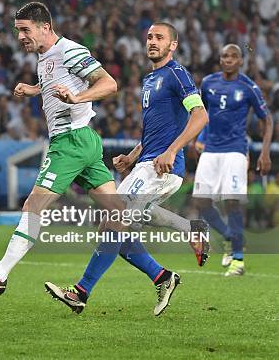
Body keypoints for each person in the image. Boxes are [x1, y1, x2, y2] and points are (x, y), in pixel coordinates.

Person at [43, 22, 210, 317]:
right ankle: (165, 273)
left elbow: (200, 116)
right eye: (149, 37)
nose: (152, 42)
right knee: (113, 229)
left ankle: (80, 293)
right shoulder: (151, 79)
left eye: (160, 38)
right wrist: (133, 155)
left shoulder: (176, 74)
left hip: (164, 167)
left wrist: (171, 151)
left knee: (113, 222)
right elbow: (155, 131)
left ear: (173, 45)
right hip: (144, 164)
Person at [0, 1, 120, 294]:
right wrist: (33, 89)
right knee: (120, 217)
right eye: (17, 30)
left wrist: (78, 98)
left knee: (33, 205)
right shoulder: (45, 56)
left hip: (69, 141)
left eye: (25, 30)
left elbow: (109, 84)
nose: (20, 36)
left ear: (45, 27)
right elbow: (57, 81)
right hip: (83, 139)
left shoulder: (70, 50)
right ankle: (168, 264)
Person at [193, 44, 273, 276]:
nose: (228, 59)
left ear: (241, 61)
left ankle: (238, 260)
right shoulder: (208, 83)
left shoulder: (249, 87)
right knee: (201, 202)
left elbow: (267, 120)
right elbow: (201, 114)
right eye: (224, 56)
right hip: (210, 150)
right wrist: (196, 138)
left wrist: (265, 152)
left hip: (235, 150)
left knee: (232, 202)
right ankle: (231, 236)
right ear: (220, 60)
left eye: (233, 56)